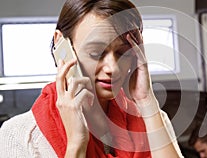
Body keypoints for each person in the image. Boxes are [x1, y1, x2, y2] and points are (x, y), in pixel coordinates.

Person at [0, 0, 183, 157]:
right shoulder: (19, 135)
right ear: (62, 45)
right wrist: (76, 145)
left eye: (123, 52)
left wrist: (146, 100)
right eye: (96, 53)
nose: (113, 68)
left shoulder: (153, 119)